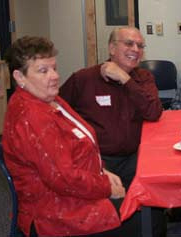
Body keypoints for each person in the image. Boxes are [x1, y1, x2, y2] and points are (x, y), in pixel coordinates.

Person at [1, 36, 139, 236]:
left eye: (54, 68)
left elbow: (76, 151)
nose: (54, 76)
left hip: (75, 192)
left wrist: (101, 171)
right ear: (19, 77)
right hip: (54, 212)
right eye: (43, 71)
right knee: (143, 218)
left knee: (139, 206)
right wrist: (105, 186)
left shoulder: (50, 99)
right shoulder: (30, 116)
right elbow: (63, 178)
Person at [59, 26, 163, 191]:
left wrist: (125, 79)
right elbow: (57, 114)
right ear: (112, 48)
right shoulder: (84, 79)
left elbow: (153, 112)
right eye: (129, 44)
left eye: (140, 46)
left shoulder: (144, 78)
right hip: (97, 161)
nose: (136, 50)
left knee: (154, 196)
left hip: (135, 158)